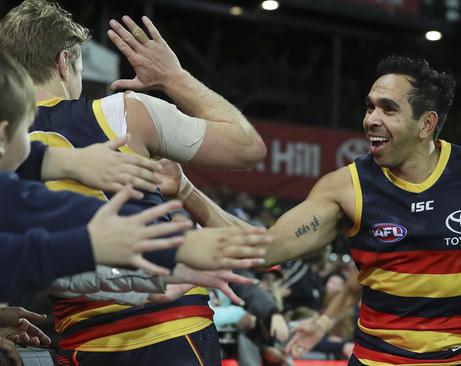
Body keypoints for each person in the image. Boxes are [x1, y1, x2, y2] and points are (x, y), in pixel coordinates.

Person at [169, 56, 461, 365]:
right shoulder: (347, 188)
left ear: (426, 124)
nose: (370, 119)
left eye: (387, 108)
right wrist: (186, 189)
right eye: (368, 107)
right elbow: (263, 250)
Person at [0, 2, 269, 364]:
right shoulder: (124, 113)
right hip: (170, 328)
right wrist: (175, 78)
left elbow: (47, 254)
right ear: (65, 63)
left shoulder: (13, 148)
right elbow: (248, 147)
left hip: (84, 340)